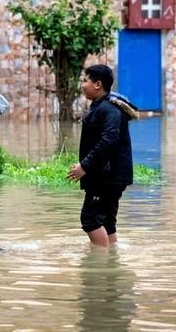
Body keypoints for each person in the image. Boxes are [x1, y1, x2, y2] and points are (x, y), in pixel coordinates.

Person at [67, 64, 134, 247]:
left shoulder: (109, 109)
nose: (82, 85)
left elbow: (108, 141)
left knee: (90, 219)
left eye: (85, 81)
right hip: (109, 175)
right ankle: (111, 259)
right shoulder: (102, 107)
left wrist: (84, 166)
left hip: (107, 177)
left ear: (97, 84)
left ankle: (100, 262)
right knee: (107, 221)